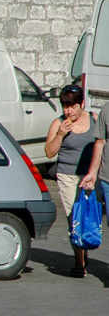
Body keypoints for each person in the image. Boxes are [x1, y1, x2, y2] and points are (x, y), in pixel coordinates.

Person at [47, 84, 97, 277]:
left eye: (73, 106)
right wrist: (60, 134)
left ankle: (83, 250)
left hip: (89, 176)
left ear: (82, 104)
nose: (69, 111)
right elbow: (49, 152)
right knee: (73, 218)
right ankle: (79, 261)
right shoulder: (58, 123)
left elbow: (100, 144)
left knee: (87, 217)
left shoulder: (93, 119)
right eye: (66, 106)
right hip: (67, 175)